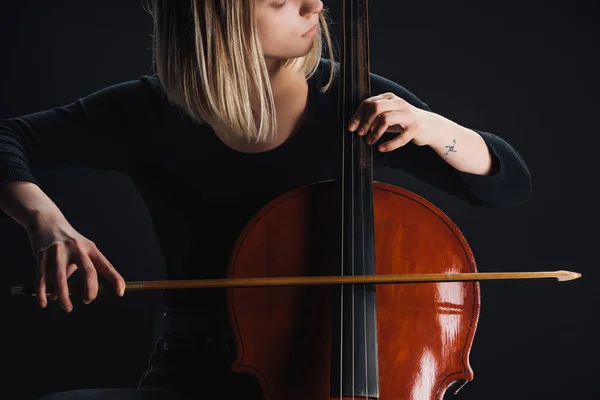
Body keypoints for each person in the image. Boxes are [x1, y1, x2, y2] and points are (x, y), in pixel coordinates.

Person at [0, 0, 532, 399]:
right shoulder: (150, 111)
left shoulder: (353, 101)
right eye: (280, 0)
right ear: (217, 19)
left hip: (348, 371)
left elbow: (506, 184)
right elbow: (8, 138)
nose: (314, 6)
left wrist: (435, 128)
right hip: (195, 374)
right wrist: (46, 221)